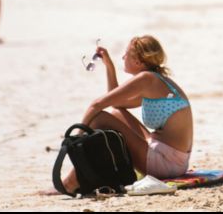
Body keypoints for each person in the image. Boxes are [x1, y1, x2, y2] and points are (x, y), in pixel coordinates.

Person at [58, 36, 193, 192]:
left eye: (126, 54)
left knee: (98, 116)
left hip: (166, 164)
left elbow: (97, 104)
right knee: (116, 112)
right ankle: (77, 177)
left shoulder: (146, 79)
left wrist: (73, 141)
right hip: (174, 159)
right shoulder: (155, 80)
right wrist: (110, 66)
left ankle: (70, 181)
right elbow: (116, 103)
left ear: (138, 62)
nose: (123, 57)